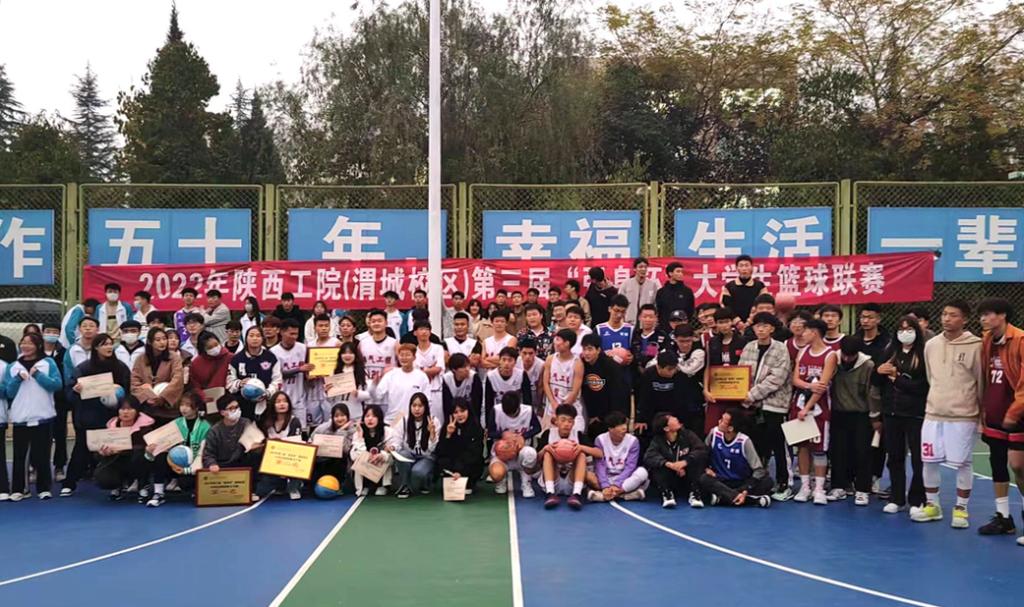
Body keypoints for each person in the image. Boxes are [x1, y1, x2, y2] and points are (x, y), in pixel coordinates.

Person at [913, 300, 983, 526]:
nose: (947, 318)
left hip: (964, 415)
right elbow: (930, 377)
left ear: (965, 319)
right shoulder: (931, 345)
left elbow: (981, 383)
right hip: (933, 413)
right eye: (944, 314)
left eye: (953, 315)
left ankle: (961, 509)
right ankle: (932, 506)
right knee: (928, 460)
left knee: (963, 462)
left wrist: (981, 416)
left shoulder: (977, 346)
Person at [975, 298, 1024, 543]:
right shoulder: (987, 341)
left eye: (988, 314)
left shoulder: (1021, 340)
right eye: (981, 315)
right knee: (997, 463)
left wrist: (1014, 413)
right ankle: (1003, 517)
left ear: (1002, 315)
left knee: (1018, 465)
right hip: (994, 413)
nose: (983, 319)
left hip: (1017, 415)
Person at [62, 332, 132, 496]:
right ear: (95, 348)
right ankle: (69, 483)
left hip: (113, 417)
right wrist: (76, 390)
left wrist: (121, 402)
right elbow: (70, 395)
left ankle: (118, 483)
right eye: (104, 344)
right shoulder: (83, 368)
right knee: (81, 450)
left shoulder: (120, 367)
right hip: (89, 417)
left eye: (110, 343)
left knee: (115, 451)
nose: (108, 347)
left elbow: (128, 391)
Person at [736, 312, 793, 497]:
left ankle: (784, 483)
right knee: (756, 445)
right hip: (751, 405)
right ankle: (759, 482)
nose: (761, 329)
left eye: (765, 326)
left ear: (772, 329)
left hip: (774, 404)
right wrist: (743, 394)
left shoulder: (781, 349)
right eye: (758, 326)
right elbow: (741, 374)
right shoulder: (749, 347)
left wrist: (752, 395)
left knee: (778, 445)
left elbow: (777, 378)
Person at [877, 315, 929, 515]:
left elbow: (923, 386)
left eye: (909, 329)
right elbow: (876, 382)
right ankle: (897, 497)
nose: (904, 333)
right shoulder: (890, 351)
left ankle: (917, 499)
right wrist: (879, 371)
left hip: (915, 413)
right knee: (894, 456)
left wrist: (897, 379)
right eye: (901, 329)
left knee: (918, 458)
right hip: (892, 411)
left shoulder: (923, 354)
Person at [4, 333, 62, 500]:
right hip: (21, 417)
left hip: (43, 415)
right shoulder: (13, 366)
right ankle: (19, 489)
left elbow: (56, 385)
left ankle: (44, 488)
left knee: (42, 454)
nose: (26, 346)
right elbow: (8, 392)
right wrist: (17, 379)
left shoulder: (48, 363)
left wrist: (38, 375)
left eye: (30, 343)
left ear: (38, 346)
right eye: (23, 342)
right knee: (20, 455)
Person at [830, 336, 882, 506]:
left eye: (850, 356)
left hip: (861, 414)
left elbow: (872, 393)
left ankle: (862, 489)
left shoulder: (868, 365)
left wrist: (875, 416)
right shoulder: (833, 360)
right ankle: (839, 486)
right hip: (838, 412)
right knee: (838, 451)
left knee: (863, 452)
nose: (846, 359)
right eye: (844, 355)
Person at [790, 318, 836, 505]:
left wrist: (808, 407)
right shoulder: (802, 352)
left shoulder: (830, 355)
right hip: (799, 404)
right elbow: (795, 380)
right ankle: (805, 486)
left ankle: (819, 488)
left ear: (815, 332)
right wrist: (809, 386)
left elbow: (822, 387)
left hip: (819, 409)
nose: (802, 334)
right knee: (802, 447)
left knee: (819, 450)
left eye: (806, 330)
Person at [144, 391, 211, 507]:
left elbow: (203, 454)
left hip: (194, 466)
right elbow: (154, 454)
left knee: (186, 484)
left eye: (188, 405)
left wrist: (186, 470)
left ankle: (194, 489)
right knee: (160, 457)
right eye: (182, 405)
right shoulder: (175, 424)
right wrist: (149, 452)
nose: (183, 408)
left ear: (196, 408)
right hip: (174, 464)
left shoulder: (205, 426)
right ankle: (158, 493)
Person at [698, 409, 772, 508]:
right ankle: (750, 500)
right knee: (703, 479)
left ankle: (724, 498)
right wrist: (706, 468)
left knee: (767, 481)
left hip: (740, 482)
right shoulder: (714, 433)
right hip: (720, 480)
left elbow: (759, 470)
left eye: (722, 421)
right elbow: (703, 453)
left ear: (730, 428)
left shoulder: (744, 441)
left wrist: (746, 489)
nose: (719, 421)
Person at [538, 404, 602, 510]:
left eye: (570, 421)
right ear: (556, 421)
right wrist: (545, 449)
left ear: (574, 423)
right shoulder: (548, 434)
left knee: (581, 454)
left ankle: (576, 494)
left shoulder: (578, 435)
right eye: (563, 420)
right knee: (548, 453)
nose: (566, 424)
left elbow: (599, 453)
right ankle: (550, 493)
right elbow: (536, 460)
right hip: (554, 478)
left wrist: (581, 447)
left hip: (572, 479)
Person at [202, 394, 263, 500]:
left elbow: (255, 441)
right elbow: (208, 454)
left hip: (241, 462)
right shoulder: (215, 430)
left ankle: (252, 490)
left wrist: (255, 446)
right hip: (222, 465)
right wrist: (212, 464)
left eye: (237, 407)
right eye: (231, 408)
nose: (236, 410)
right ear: (222, 412)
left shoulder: (246, 423)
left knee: (255, 455)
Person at [93, 397, 155, 502]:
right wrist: (103, 452)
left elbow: (148, 447)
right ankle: (117, 486)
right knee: (103, 477)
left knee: (140, 455)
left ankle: (143, 485)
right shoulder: (111, 426)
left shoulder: (146, 426)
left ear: (137, 410)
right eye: (122, 409)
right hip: (117, 460)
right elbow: (98, 450)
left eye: (130, 409)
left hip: (138, 460)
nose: (125, 412)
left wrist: (123, 449)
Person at [644, 412, 709, 508]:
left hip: (687, 475)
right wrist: (669, 464)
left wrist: (685, 462)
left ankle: (695, 493)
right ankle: (667, 494)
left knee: (696, 461)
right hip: (670, 477)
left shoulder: (687, 434)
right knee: (657, 466)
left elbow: (702, 450)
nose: (675, 418)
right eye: (671, 419)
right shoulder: (658, 440)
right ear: (666, 428)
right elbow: (649, 456)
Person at [703, 307, 747, 435]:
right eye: (720, 322)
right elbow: (708, 367)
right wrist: (705, 389)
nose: (724, 325)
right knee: (712, 428)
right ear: (716, 324)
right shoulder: (712, 342)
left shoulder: (743, 341)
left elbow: (747, 369)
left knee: (733, 428)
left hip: (737, 392)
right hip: (717, 391)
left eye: (727, 321)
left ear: (732, 322)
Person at [587, 411, 648, 503]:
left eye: (625, 424)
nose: (624, 428)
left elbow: (630, 466)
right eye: (620, 425)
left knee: (642, 473)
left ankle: (608, 495)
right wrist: (605, 485)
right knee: (587, 474)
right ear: (610, 429)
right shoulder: (600, 439)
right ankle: (625, 495)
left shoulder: (633, 441)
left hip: (624, 478)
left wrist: (617, 485)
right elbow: (600, 465)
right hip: (605, 477)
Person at [488, 392, 541, 497]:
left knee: (530, 454)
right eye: (507, 413)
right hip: (502, 453)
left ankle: (526, 482)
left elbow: (537, 428)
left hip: (521, 451)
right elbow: (490, 432)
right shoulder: (496, 410)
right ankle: (501, 480)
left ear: (519, 406)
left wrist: (523, 436)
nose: (510, 416)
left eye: (513, 414)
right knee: (496, 474)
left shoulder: (528, 411)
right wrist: (502, 434)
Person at [227, 327, 283, 422]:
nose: (255, 338)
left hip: (265, 404)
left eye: (258, 336)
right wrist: (239, 383)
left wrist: (267, 393)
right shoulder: (237, 359)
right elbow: (229, 382)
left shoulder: (270, 357)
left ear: (262, 338)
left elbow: (277, 380)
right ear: (246, 338)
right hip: (242, 405)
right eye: (251, 335)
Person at [131, 327, 185, 424]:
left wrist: (163, 397)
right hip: (147, 407)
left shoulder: (174, 357)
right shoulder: (140, 359)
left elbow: (177, 379)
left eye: (164, 339)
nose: (162, 342)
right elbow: (135, 381)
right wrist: (146, 397)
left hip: (168, 407)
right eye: (158, 340)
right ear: (150, 342)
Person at [255, 391, 304, 499]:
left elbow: (295, 445)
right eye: (278, 402)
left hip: (290, 458)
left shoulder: (294, 421)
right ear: (272, 405)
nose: (282, 404)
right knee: (261, 490)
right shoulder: (266, 422)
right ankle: (278, 484)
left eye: (285, 401)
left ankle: (294, 486)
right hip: (271, 459)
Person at [637, 351, 698, 437]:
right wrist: (641, 419)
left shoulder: (680, 375)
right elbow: (643, 398)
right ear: (659, 367)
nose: (672, 372)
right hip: (653, 415)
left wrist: (681, 421)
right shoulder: (648, 375)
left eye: (674, 368)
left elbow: (684, 400)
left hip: (674, 414)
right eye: (669, 369)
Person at [579, 334, 628, 437]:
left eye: (590, 349)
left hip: (609, 415)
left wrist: (602, 416)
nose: (586, 353)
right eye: (584, 349)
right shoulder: (582, 364)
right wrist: (592, 415)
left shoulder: (611, 366)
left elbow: (617, 394)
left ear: (598, 350)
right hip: (590, 415)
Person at [393, 393, 440, 498]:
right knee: (400, 455)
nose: (417, 409)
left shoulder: (433, 421)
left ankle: (426, 481)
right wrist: (393, 447)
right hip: (410, 455)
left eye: (420, 406)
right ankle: (405, 485)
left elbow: (433, 449)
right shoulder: (404, 421)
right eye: (414, 405)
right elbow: (396, 439)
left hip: (427, 457)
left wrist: (432, 434)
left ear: (425, 407)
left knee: (417, 472)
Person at [373, 343, 430, 426]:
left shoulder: (422, 376)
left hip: (414, 421)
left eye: (407, 355)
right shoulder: (390, 375)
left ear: (414, 357)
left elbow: (427, 400)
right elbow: (378, 395)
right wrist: (374, 385)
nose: (404, 358)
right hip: (392, 420)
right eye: (401, 355)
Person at [436, 399, 485, 495]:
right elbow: (440, 452)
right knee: (442, 461)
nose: (459, 415)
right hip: (452, 466)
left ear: (468, 411)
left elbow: (475, 452)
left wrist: (460, 471)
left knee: (478, 461)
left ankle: (469, 482)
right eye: (456, 412)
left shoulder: (476, 427)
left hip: (467, 465)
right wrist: (448, 435)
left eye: (462, 411)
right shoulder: (447, 426)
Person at [41, 322, 69, 481]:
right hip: (38, 399)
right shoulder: (36, 352)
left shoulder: (64, 352)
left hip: (59, 400)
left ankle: (59, 466)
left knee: (60, 433)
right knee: (40, 436)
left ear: (59, 334)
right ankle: (36, 467)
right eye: (48, 331)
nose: (51, 334)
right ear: (42, 332)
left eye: (55, 331)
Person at [543, 329, 585, 431]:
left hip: (570, 407)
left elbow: (575, 391)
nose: (555, 342)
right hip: (552, 406)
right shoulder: (550, 359)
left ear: (567, 343)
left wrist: (562, 409)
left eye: (558, 339)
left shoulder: (577, 363)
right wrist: (553, 403)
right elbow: (546, 383)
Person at [351, 404, 396, 496]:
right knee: (359, 457)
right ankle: (365, 486)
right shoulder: (358, 433)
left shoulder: (388, 431)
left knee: (387, 456)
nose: (370, 419)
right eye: (367, 416)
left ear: (379, 418)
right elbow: (354, 456)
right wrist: (360, 437)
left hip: (381, 466)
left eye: (374, 416)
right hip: (365, 468)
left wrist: (382, 455)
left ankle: (383, 486)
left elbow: (393, 452)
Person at [311, 403, 356, 492]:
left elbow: (346, 450)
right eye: (336, 416)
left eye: (342, 415)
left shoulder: (353, 430)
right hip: (321, 459)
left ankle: (339, 484)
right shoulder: (323, 428)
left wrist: (341, 431)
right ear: (332, 417)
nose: (339, 418)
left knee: (339, 460)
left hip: (341, 461)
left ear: (347, 416)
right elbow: (312, 439)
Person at [188, 331, 233, 415]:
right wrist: (202, 396)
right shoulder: (196, 363)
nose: (215, 348)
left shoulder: (230, 357)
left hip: (229, 400)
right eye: (210, 347)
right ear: (203, 349)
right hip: (209, 402)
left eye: (216, 344)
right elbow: (195, 384)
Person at [720, 255, 767, 325]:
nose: (744, 268)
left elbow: (764, 304)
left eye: (747, 265)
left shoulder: (760, 286)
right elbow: (725, 305)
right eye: (741, 266)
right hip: (734, 324)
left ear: (752, 267)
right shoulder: (729, 286)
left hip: (755, 323)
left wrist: (750, 320)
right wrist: (737, 321)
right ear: (736, 268)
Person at [412, 320, 446, 415]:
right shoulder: (413, 351)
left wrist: (423, 370)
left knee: (437, 419)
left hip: (436, 389)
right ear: (415, 332)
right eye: (421, 329)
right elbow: (415, 372)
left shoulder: (438, 348)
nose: (424, 332)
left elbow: (438, 369)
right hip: (419, 390)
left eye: (427, 329)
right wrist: (431, 368)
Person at [630, 304, 669, 379]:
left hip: (655, 375)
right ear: (639, 317)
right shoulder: (634, 335)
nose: (648, 320)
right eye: (645, 317)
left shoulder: (662, 336)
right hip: (635, 374)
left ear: (656, 318)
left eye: (651, 317)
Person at [620, 257, 661, 325]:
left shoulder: (652, 285)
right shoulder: (626, 284)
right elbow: (620, 303)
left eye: (645, 267)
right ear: (634, 269)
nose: (643, 269)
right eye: (640, 267)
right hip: (629, 322)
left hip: (646, 322)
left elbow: (655, 304)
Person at [655, 262, 695, 332]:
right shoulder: (661, 292)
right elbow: (659, 310)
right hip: (665, 328)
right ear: (670, 273)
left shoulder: (687, 291)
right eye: (678, 271)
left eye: (682, 272)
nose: (681, 274)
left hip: (683, 328)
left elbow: (690, 311)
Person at [516, 338, 545, 408]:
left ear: (536, 352)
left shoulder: (541, 365)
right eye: (524, 353)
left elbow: (540, 387)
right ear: (519, 352)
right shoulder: (515, 362)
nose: (527, 357)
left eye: (531, 353)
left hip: (534, 398)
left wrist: (539, 406)